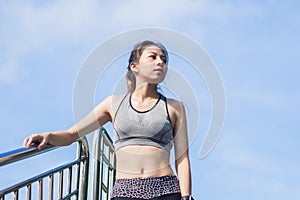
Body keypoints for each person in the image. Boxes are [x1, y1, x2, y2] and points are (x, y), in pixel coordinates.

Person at [23, 40, 194, 200]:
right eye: (153, 57)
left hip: (166, 190)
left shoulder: (175, 107)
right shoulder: (113, 104)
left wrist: (186, 197)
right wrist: (48, 136)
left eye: (163, 59)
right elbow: (71, 134)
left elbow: (182, 158)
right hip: (125, 191)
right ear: (135, 67)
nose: (160, 62)